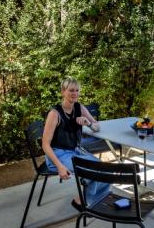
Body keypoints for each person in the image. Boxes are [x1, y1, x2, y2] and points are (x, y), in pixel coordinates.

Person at [42, 77, 110, 209]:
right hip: (58, 155)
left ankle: (87, 200)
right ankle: (86, 202)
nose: (75, 93)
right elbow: (45, 144)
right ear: (63, 92)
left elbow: (97, 127)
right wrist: (60, 166)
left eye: (77, 90)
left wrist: (88, 123)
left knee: (103, 168)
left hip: (76, 151)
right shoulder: (55, 114)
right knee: (92, 172)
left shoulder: (80, 108)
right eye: (71, 90)